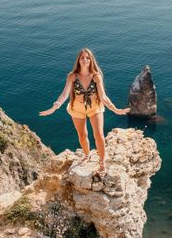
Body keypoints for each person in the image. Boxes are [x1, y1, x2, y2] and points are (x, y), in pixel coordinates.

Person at [39, 48, 130, 176]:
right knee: (82, 135)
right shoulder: (72, 76)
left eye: (88, 57)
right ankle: (87, 155)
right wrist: (54, 107)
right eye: (83, 57)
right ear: (79, 60)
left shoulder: (96, 76)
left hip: (95, 107)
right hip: (77, 108)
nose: (85, 60)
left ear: (91, 60)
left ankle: (102, 162)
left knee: (99, 134)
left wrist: (115, 109)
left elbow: (103, 96)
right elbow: (64, 94)